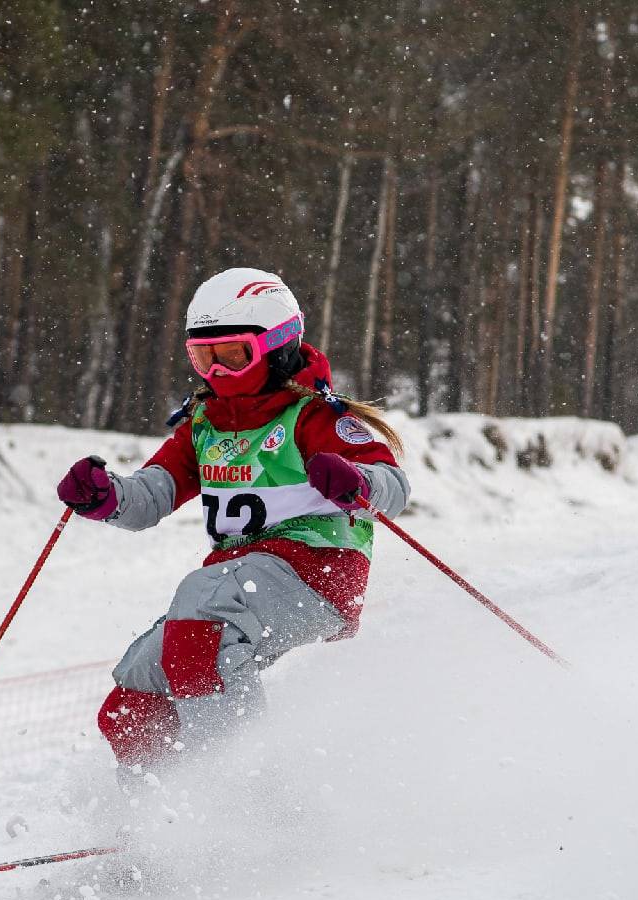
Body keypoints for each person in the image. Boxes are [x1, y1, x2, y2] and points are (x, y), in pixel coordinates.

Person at [57, 267, 410, 772]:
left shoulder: (314, 417)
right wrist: (105, 497)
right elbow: (151, 495)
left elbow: (393, 488)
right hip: (239, 580)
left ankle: (242, 800)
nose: (217, 373)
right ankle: (153, 821)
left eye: (233, 355)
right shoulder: (206, 424)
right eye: (204, 358)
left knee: (199, 622)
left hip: (317, 571)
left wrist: (357, 481)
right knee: (139, 686)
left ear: (279, 345)